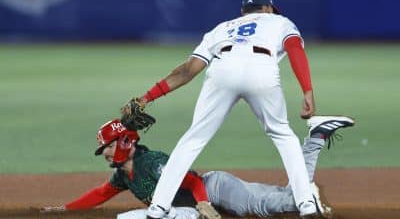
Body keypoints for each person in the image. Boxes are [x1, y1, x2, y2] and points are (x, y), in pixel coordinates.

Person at [128, 0, 318, 218]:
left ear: (242, 11)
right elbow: (294, 49)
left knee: (193, 138)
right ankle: (306, 204)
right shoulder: (280, 22)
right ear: (268, 8)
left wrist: (147, 96)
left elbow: (187, 71)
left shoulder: (221, 28)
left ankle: (158, 207)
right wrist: (307, 91)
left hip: (222, 69)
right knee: (283, 135)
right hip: (261, 69)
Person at [41, 115, 355, 219]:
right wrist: (65, 209)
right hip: (196, 207)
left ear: (124, 143)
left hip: (215, 189)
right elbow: (100, 194)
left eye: (108, 147)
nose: (106, 154)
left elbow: (190, 180)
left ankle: (316, 136)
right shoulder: (125, 175)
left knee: (281, 203)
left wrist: (204, 201)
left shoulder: (151, 162)